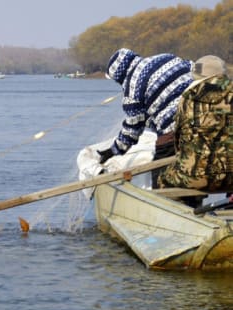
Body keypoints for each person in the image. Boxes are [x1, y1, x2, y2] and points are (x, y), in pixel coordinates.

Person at [97, 48, 194, 187]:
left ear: (118, 76)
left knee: (162, 176)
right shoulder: (166, 56)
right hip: (206, 119)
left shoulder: (132, 89)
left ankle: (169, 201)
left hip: (176, 130)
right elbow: (194, 67)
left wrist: (114, 150)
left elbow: (133, 129)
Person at [158, 55, 232, 198]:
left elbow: (178, 142)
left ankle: (186, 211)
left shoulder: (188, 98)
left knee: (164, 179)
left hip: (195, 177)